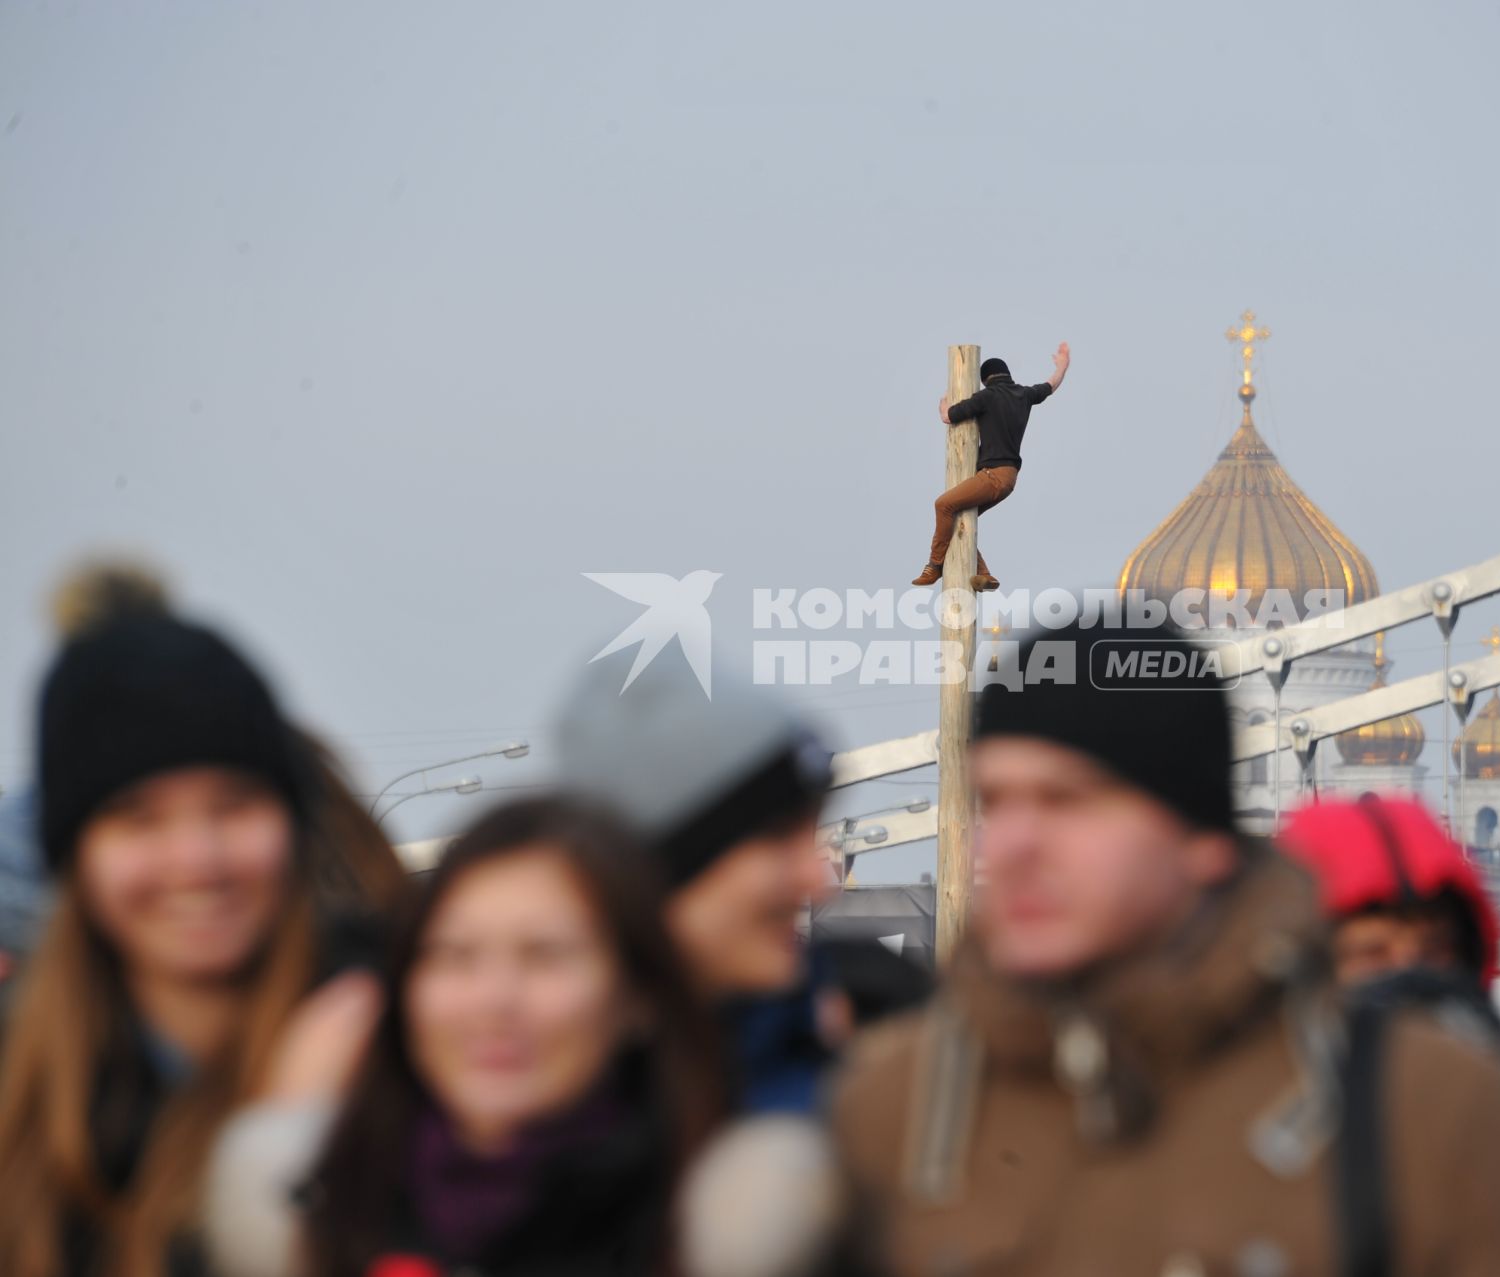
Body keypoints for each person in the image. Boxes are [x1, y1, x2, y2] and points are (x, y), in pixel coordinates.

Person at [830, 620, 1500, 1277]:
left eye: (1068, 800)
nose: (1013, 845)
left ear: (1201, 839)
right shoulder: (889, 1106)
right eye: (994, 801)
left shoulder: (1426, 1105)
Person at [0, 565, 399, 1277]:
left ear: (294, 821)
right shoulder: (22, 1095)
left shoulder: (407, 1040)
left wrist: (292, 1145)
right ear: (75, 854)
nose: (195, 860)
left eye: (233, 805)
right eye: (138, 818)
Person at [203, 797, 732, 1277]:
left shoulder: (717, 1231)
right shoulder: (321, 1221)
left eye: (544, 954)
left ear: (639, 995)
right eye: (455, 956)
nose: (493, 1000)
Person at [555, 657, 842, 1112]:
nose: (820, 881)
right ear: (669, 867)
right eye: (776, 838)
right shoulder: (531, 1124)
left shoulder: (859, 1096)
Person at [1278, 793, 1500, 1050]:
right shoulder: (1249, 1084)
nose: (1408, 968)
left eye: (1433, 951)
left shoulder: (1488, 1081)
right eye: (1373, 954)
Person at [911, 343, 1070, 592]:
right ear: (1008, 375)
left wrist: (943, 405)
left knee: (943, 505)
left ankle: (934, 565)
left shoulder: (986, 397)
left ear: (984, 380)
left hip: (992, 476)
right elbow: (1050, 386)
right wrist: (1062, 366)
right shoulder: (1025, 395)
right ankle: (984, 574)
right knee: (958, 518)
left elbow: (949, 416)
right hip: (1009, 478)